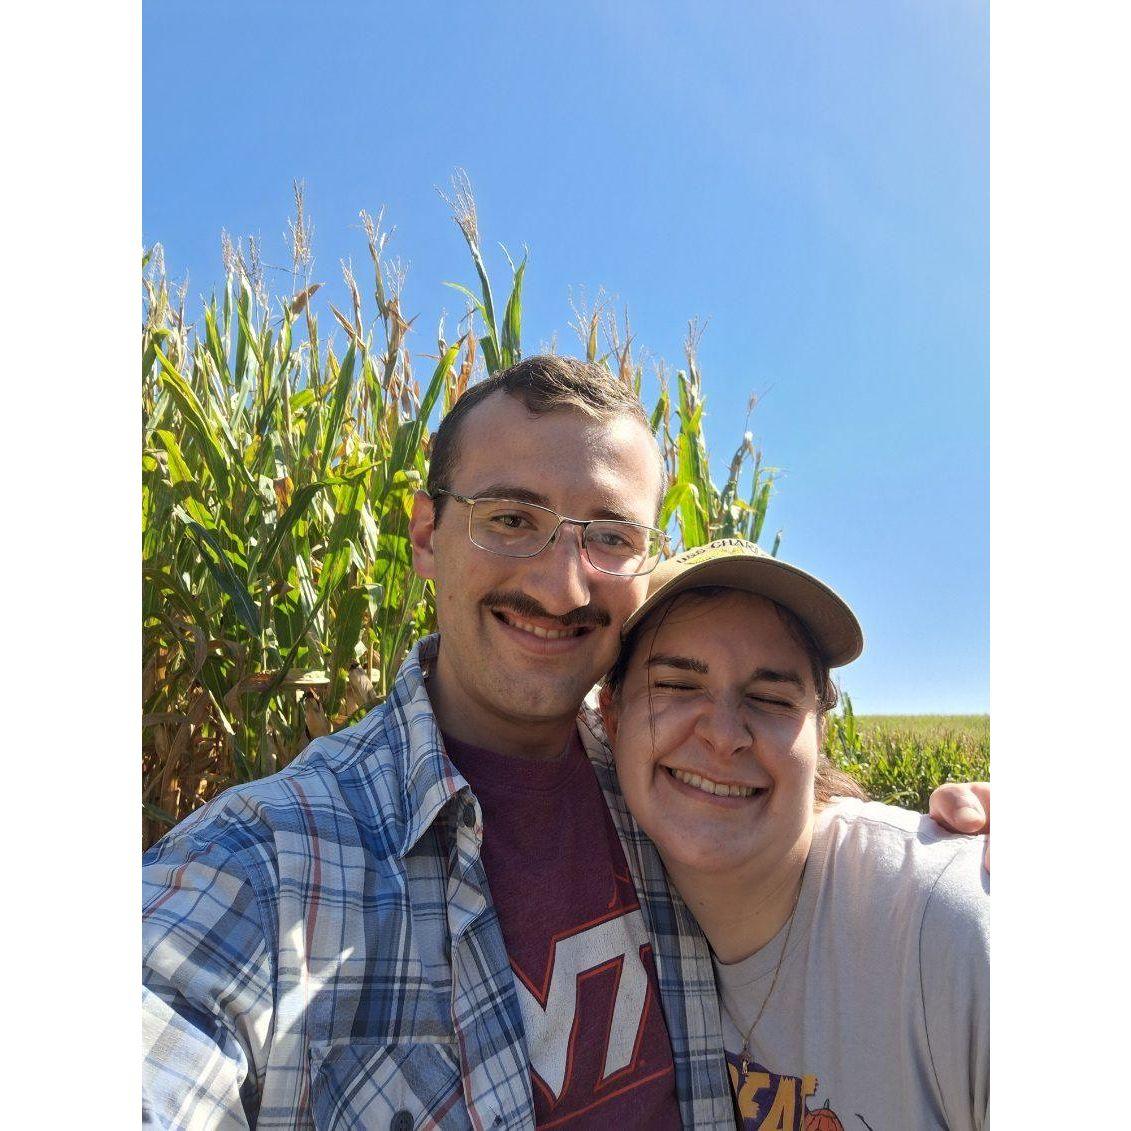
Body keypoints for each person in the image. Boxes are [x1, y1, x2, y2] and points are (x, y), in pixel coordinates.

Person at [143, 356, 989, 1129]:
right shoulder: (267, 862)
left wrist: (964, 849)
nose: (560, 583)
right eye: (511, 518)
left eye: (610, 537)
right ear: (427, 534)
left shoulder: (665, 789)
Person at [599, 538, 989, 1130]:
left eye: (771, 698)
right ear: (612, 716)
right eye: (677, 685)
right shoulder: (601, 924)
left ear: (820, 735)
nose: (725, 734)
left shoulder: (948, 927)